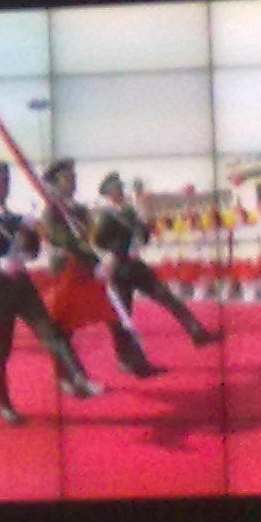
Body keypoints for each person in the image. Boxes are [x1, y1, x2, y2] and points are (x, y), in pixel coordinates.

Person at [0, 162, 104, 425]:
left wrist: (27, 239)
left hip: (22, 285)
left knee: (51, 332)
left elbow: (34, 251)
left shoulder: (19, 219)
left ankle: (78, 377)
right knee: (1, 347)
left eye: (6, 181)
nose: (4, 186)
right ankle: (3, 404)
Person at [41, 160, 159, 379]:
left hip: (89, 270)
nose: (73, 182)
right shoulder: (52, 212)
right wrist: (94, 262)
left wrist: (103, 257)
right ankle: (65, 377)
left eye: (74, 177)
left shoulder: (80, 210)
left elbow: (92, 238)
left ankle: (132, 361)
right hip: (67, 272)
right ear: (55, 184)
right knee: (65, 326)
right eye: (67, 178)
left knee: (116, 314)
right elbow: (65, 241)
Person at [92, 172, 221, 347]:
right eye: (117, 189)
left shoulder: (129, 211)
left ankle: (196, 331)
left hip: (136, 265)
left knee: (167, 297)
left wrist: (143, 230)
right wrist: (118, 250)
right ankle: (125, 351)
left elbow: (142, 234)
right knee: (123, 312)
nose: (121, 191)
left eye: (121, 187)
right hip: (120, 268)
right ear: (108, 194)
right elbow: (98, 241)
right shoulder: (107, 216)